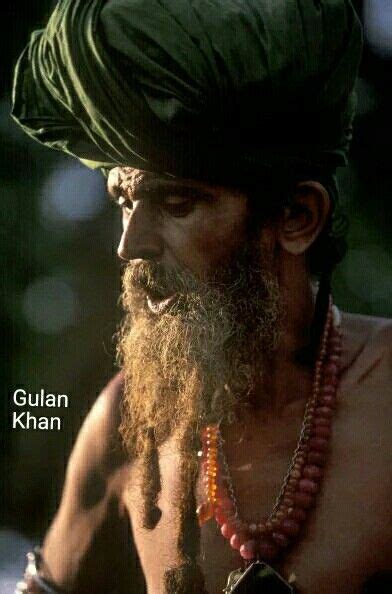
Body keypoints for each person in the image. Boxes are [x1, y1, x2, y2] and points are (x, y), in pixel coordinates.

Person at [11, 1, 391, 593]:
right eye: (124, 202)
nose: (129, 246)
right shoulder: (124, 428)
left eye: (177, 203)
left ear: (296, 217)